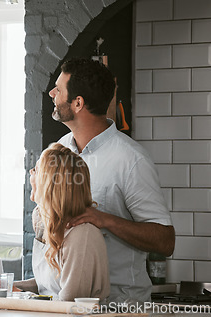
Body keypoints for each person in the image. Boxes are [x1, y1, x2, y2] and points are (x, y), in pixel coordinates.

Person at [49, 58, 175, 303]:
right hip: (66, 301)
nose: (52, 93)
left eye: (59, 89)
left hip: (120, 304)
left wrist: (103, 219)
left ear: (78, 103)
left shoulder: (131, 160)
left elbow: (165, 241)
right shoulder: (58, 151)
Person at [14, 143, 110, 301]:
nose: (31, 174)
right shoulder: (50, 225)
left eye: (36, 170)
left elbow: (69, 304)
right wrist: (3, 286)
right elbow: (48, 284)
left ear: (49, 184)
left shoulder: (82, 235)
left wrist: (23, 295)